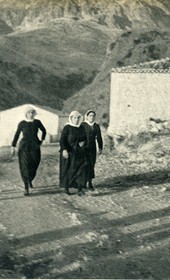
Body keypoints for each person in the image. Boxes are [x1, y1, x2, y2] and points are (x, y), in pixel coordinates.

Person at [11, 106, 46, 196]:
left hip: (35, 146)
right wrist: (13, 145)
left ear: (34, 113)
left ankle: (30, 179)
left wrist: (41, 140)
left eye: (32, 112)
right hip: (24, 147)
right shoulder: (22, 123)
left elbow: (44, 130)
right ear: (26, 113)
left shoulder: (37, 122)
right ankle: (26, 187)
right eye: (29, 112)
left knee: (34, 164)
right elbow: (17, 134)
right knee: (25, 166)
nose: (31, 114)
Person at [59, 111, 88, 196]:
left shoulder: (82, 127)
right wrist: (64, 150)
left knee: (81, 169)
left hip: (79, 152)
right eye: (74, 118)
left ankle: (79, 189)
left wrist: (83, 142)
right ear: (71, 118)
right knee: (69, 170)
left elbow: (85, 138)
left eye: (78, 118)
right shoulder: (67, 128)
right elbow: (62, 140)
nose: (76, 119)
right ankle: (66, 188)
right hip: (69, 152)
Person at [82, 110, 103, 191]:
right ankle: (83, 182)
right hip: (83, 148)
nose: (92, 117)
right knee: (84, 164)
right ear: (87, 116)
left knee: (91, 164)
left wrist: (100, 147)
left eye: (93, 116)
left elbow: (99, 137)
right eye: (90, 115)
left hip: (92, 148)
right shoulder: (83, 125)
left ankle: (90, 183)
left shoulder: (96, 126)